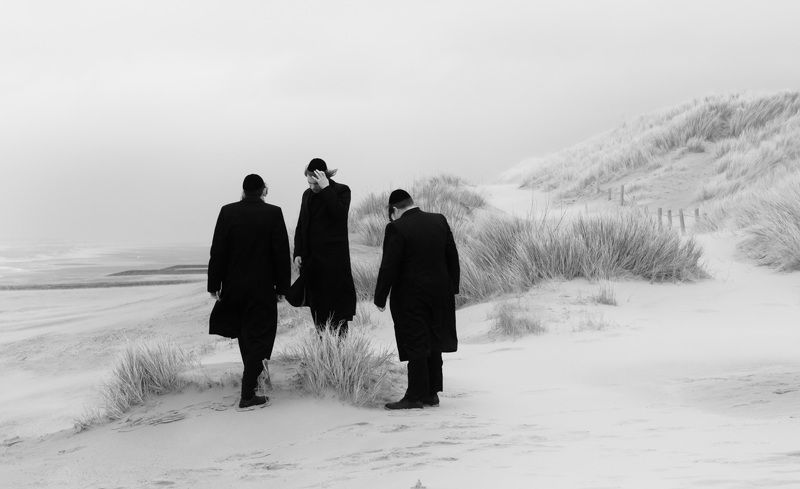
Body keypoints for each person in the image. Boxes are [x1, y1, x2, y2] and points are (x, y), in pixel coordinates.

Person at [208, 174, 291, 409]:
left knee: (245, 334)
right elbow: (281, 253)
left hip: (233, 286)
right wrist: (282, 287)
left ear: (243, 191)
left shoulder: (228, 212)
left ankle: (252, 383)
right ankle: (248, 392)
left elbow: (218, 251)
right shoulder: (273, 213)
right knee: (262, 336)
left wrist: (214, 285)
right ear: (263, 190)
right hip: (262, 287)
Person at [373, 189, 460, 410]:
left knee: (416, 342)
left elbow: (389, 265)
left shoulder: (396, 228)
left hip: (410, 295)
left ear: (394, 210)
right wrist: (452, 287)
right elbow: (452, 255)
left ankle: (414, 396)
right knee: (434, 339)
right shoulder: (439, 220)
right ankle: (431, 393)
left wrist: (380, 296)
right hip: (440, 292)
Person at [292, 158, 357, 335]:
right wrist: (298, 252)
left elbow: (339, 214)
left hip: (334, 264)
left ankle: (341, 349)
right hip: (312, 264)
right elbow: (301, 225)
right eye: (309, 183)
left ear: (324, 177)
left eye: (315, 183)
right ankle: (324, 347)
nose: (312, 187)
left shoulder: (341, 190)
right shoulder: (307, 195)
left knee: (338, 312)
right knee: (318, 312)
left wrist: (326, 188)